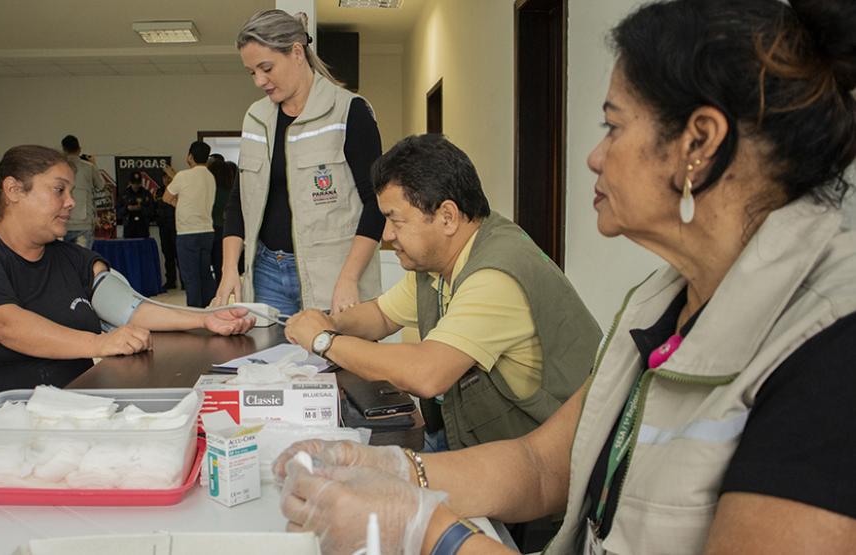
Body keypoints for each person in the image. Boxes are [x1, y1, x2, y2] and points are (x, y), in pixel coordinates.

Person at [274, 0, 856, 553]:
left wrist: (424, 528)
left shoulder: (829, 355)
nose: (594, 157)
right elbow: (544, 464)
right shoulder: (659, 302)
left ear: (698, 143)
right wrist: (398, 470)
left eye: (612, 127)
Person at [286, 134, 601, 452]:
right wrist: (326, 322)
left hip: (544, 464)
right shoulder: (438, 260)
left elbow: (426, 373)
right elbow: (381, 315)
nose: (387, 234)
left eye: (395, 219)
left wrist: (325, 341)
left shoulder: (496, 275)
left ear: (447, 217)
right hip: (469, 440)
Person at [0, 145, 256, 433]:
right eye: (58, 190)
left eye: (71, 191)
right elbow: (5, 325)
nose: (71, 201)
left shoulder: (73, 258)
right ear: (13, 190)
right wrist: (98, 343)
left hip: (68, 419)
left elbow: (129, 309)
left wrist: (205, 318)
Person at [214, 9, 385, 314]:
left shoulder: (348, 112)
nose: (259, 81)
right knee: (270, 361)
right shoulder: (256, 118)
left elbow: (377, 204)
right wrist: (229, 270)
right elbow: (240, 202)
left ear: (296, 52)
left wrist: (349, 278)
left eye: (266, 68)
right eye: (252, 72)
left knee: (336, 360)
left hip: (333, 274)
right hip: (267, 274)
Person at [162, 141, 216, 307]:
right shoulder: (210, 176)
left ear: (190, 156)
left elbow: (166, 197)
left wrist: (178, 203)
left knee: (191, 277)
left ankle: (195, 314)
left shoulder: (182, 176)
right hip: (207, 231)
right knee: (205, 274)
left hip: (187, 233)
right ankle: (209, 310)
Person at [60, 134, 104, 247]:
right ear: (79, 149)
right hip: (84, 224)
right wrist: (95, 164)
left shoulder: (57, 168)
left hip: (62, 222)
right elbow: (101, 185)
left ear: (64, 150)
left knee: (62, 261)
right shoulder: (89, 167)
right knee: (83, 261)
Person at [207, 157, 235, 289]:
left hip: (209, 229)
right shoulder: (231, 192)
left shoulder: (209, 191)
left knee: (206, 267)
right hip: (227, 231)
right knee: (221, 267)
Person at [156, 170, 178, 289]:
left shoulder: (177, 191)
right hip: (163, 227)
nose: (167, 179)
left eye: (169, 177)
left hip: (175, 227)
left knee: (178, 255)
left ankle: (184, 282)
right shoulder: (159, 191)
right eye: (165, 177)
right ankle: (171, 281)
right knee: (168, 255)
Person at [117, 171, 154, 239]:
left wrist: (141, 208)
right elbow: (118, 212)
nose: (136, 186)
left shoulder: (146, 194)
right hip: (129, 227)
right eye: (134, 183)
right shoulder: (124, 194)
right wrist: (127, 208)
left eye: (138, 183)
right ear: (130, 182)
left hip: (143, 227)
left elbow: (152, 212)